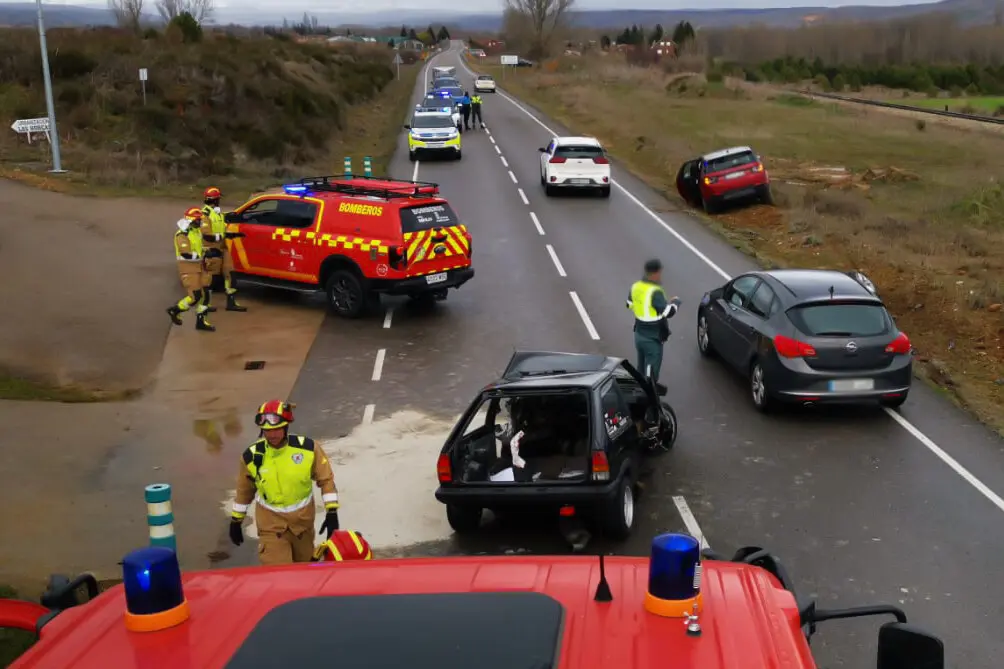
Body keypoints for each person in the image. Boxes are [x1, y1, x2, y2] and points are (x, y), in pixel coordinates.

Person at [228, 400, 341, 565]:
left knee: (306, 574)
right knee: (279, 577)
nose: (272, 435)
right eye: (267, 431)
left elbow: (326, 480)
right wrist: (236, 521)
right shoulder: (251, 457)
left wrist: (332, 512)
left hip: (302, 526)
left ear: (286, 426)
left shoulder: (308, 449)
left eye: (276, 429)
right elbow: (244, 492)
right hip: (271, 527)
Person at [626, 258, 681, 384]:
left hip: (639, 334)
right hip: (652, 338)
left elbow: (629, 305)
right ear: (656, 273)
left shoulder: (635, 286)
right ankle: (649, 399)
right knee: (651, 375)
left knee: (641, 370)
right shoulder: (655, 291)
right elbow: (668, 313)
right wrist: (675, 303)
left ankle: (639, 392)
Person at [166, 207, 215, 332]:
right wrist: (202, 256)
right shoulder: (182, 235)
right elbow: (186, 254)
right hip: (188, 268)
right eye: (198, 220)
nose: (200, 223)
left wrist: (206, 251)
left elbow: (197, 247)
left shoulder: (196, 231)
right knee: (195, 297)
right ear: (191, 220)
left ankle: (201, 321)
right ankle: (176, 310)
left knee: (206, 293)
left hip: (200, 266)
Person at [200, 186, 247, 313]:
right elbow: (207, 235)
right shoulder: (205, 215)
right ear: (215, 199)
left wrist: (232, 235)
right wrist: (222, 236)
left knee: (230, 274)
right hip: (211, 249)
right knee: (212, 279)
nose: (219, 201)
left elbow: (221, 229)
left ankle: (231, 303)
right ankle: (205, 304)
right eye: (219, 198)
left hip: (223, 247)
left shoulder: (217, 213)